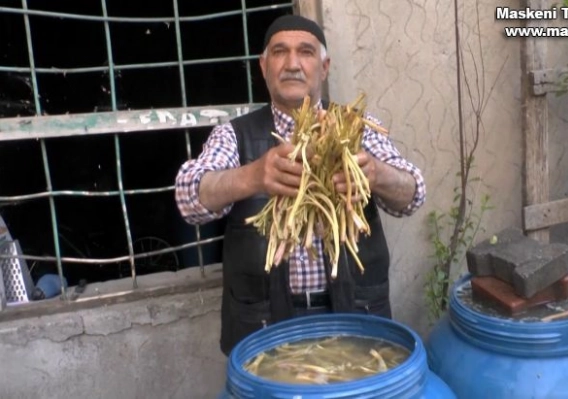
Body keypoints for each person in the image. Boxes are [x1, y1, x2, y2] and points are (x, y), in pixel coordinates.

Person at [174, 14, 426, 356]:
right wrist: (252, 176)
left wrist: (377, 174)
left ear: (324, 67)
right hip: (266, 328)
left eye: (305, 52)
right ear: (264, 66)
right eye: (280, 52)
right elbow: (188, 197)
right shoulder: (233, 136)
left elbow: (412, 195)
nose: (292, 64)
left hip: (356, 318)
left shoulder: (357, 129)